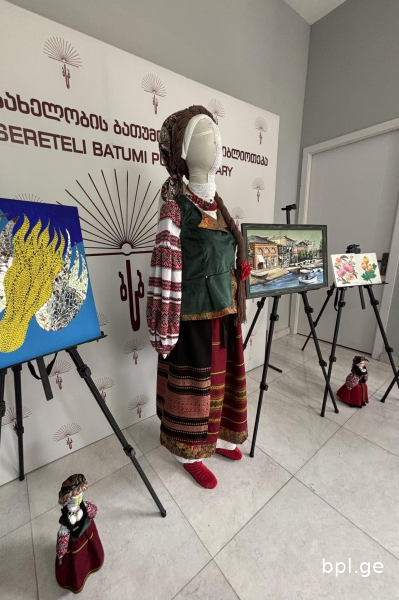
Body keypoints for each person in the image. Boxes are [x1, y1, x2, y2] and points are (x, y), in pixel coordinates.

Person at [146, 105, 251, 489]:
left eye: (215, 135)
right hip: (190, 320)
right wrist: (165, 330)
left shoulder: (218, 205)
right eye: (204, 136)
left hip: (223, 313)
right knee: (194, 393)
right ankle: (187, 452)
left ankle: (216, 438)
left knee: (220, 386)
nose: (215, 143)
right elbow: (164, 271)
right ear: (183, 152)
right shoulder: (175, 208)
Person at [55, 474, 104, 593]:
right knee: (77, 562)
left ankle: (94, 561)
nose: (78, 499)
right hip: (75, 542)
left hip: (88, 532)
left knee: (91, 550)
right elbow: (63, 539)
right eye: (74, 497)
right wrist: (61, 552)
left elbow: (93, 511)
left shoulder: (85, 506)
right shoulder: (66, 522)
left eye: (80, 495)